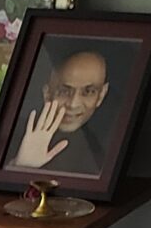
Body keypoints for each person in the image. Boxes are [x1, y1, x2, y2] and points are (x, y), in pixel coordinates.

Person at [8, 44, 116, 179]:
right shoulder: (13, 133)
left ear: (101, 95)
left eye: (88, 92)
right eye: (64, 91)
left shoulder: (105, 148)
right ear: (47, 93)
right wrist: (21, 166)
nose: (73, 104)